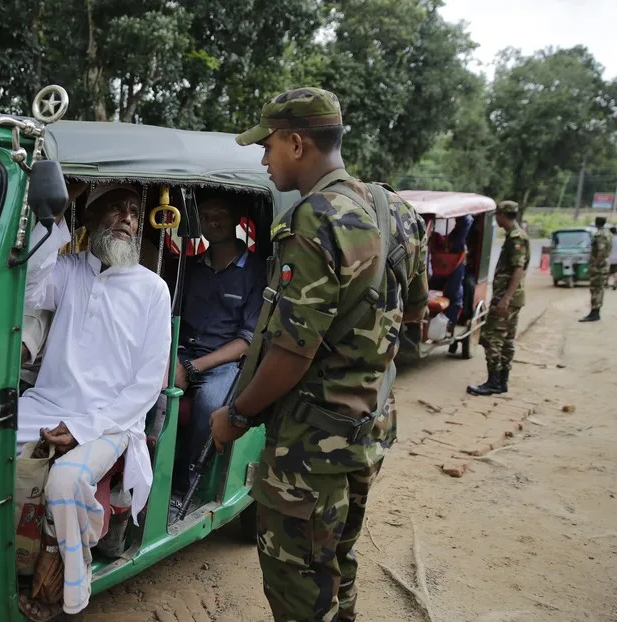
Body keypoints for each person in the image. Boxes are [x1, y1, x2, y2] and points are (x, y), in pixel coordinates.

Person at [211, 87, 428, 621]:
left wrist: (235, 416)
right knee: (336, 564)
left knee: (298, 585)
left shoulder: (314, 220)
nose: (264, 158)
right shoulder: (394, 209)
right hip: (367, 430)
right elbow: (415, 317)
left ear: (298, 143)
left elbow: (290, 352)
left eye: (269, 146)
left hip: (311, 451)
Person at [17, 184, 172, 621]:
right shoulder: (67, 271)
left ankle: (72, 589)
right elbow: (28, 286)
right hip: (47, 404)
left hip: (113, 422)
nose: (127, 218)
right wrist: (54, 216)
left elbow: (145, 388)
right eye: (115, 209)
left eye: (133, 212)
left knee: (65, 483)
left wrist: (86, 428)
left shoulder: (153, 289)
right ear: (88, 219)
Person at [169, 193, 266, 519]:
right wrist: (175, 361)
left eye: (220, 213)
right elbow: (168, 321)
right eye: (206, 213)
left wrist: (191, 367)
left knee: (210, 402)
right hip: (182, 353)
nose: (212, 220)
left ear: (237, 218)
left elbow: (247, 341)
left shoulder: (254, 271)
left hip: (224, 361)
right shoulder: (190, 267)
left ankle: (184, 489)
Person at [468, 201, 529, 395]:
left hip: (506, 299)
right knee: (507, 340)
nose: (496, 218)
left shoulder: (516, 238)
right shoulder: (516, 235)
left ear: (504, 215)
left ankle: (493, 381)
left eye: (498, 215)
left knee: (492, 338)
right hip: (513, 299)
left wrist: (505, 299)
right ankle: (502, 382)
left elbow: (518, 269)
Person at [428, 214, 473, 331]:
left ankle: (450, 324)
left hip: (452, 269)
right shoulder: (443, 239)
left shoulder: (457, 238)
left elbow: (467, 221)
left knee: (455, 294)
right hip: (442, 270)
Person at [580, 216, 612, 322]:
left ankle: (594, 313)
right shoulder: (608, 233)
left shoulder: (600, 235)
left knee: (596, 289)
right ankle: (595, 312)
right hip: (603, 265)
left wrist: (595, 264)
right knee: (599, 289)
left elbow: (601, 251)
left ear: (596, 223)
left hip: (599, 266)